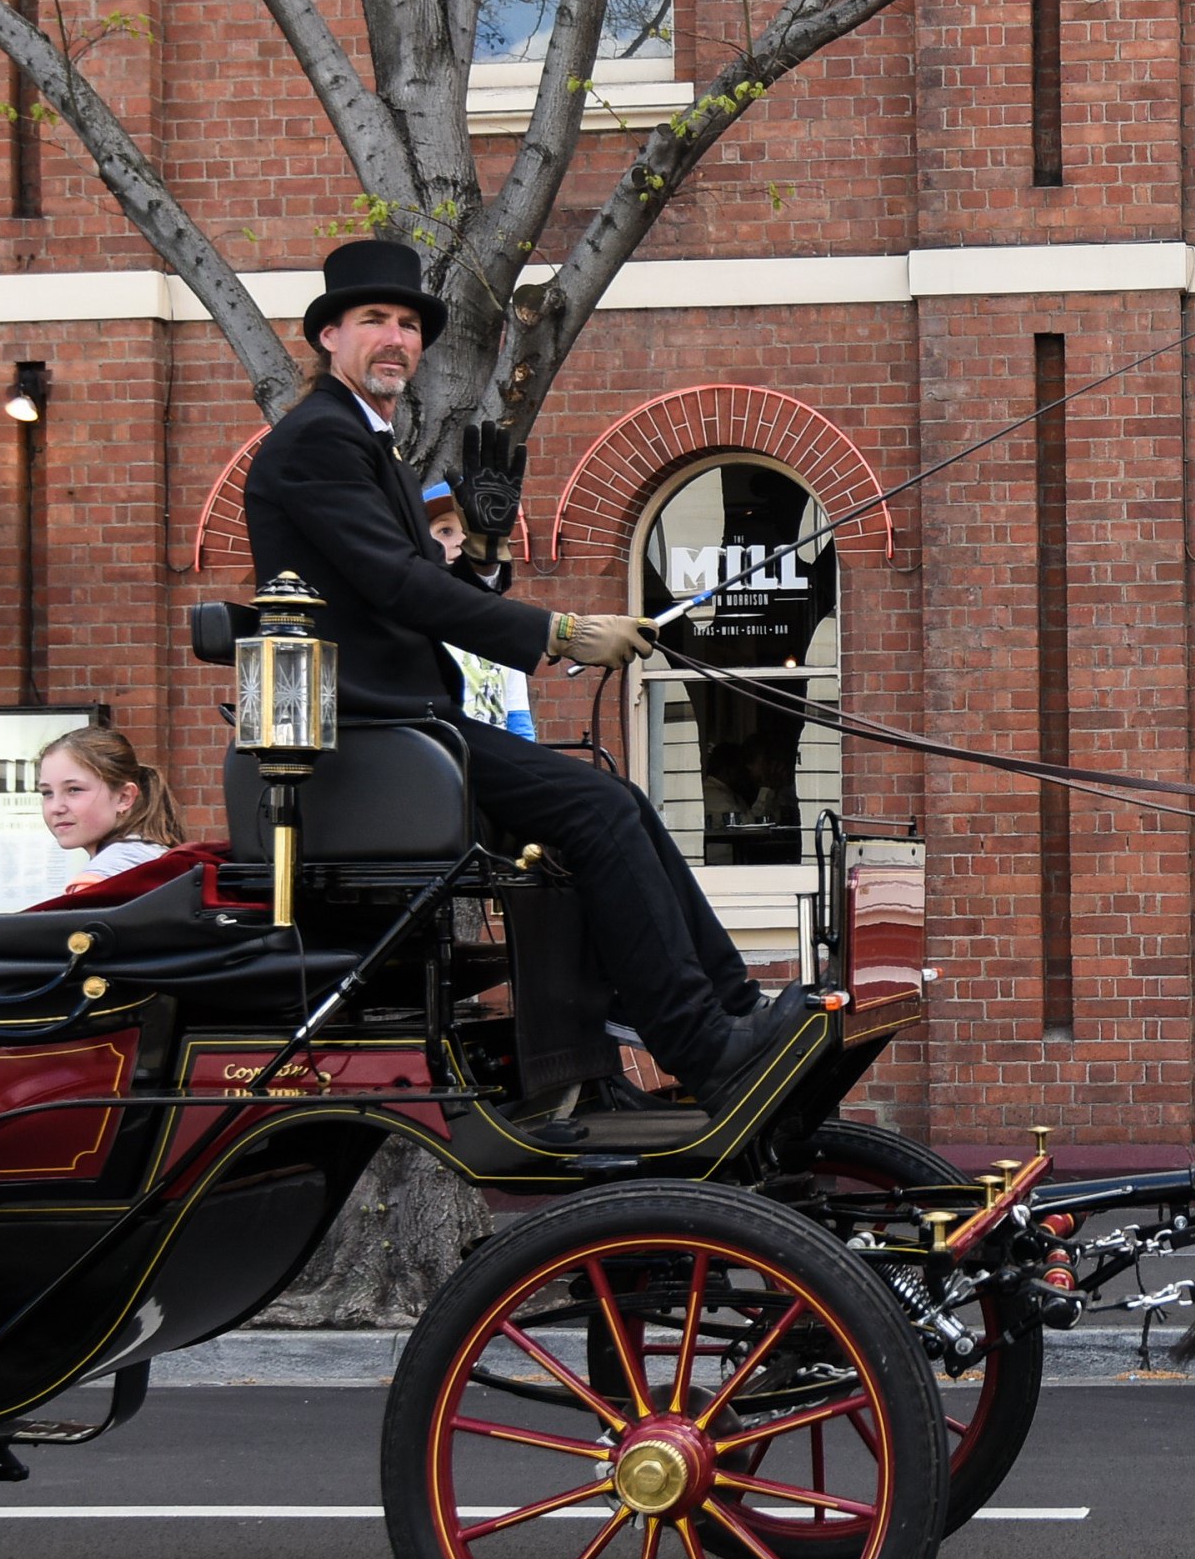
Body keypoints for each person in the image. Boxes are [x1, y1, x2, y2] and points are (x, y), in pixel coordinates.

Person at [245, 237, 811, 1102]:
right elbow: (393, 587)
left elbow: (411, 581)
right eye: (374, 322)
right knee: (599, 812)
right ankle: (701, 1042)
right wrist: (562, 632)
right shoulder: (319, 441)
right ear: (328, 336)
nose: (396, 339)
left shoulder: (370, 444)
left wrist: (481, 557)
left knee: (612, 803)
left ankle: (727, 1012)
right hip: (367, 733)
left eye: (407, 324)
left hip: (405, 725)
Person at [418, 483, 537, 740]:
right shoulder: (414, 619)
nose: (460, 541)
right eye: (445, 531)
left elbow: (518, 717)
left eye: (470, 532)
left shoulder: (504, 625)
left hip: (496, 761)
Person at [36, 722, 189, 883]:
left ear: (124, 797)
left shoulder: (100, 879)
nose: (56, 808)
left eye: (74, 789)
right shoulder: (150, 856)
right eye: (47, 793)